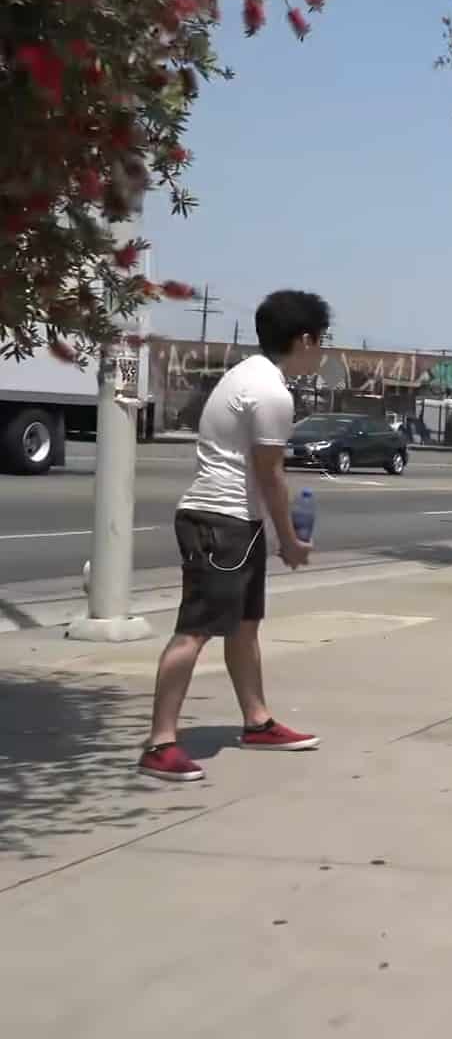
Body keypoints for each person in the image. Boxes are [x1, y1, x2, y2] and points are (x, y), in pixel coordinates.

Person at [136, 291, 332, 782]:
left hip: (235, 523)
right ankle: (160, 744)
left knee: (244, 627)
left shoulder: (247, 375)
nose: (322, 351)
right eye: (321, 341)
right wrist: (289, 540)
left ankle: (258, 721)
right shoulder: (271, 393)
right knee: (195, 631)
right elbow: (271, 475)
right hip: (218, 522)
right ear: (305, 339)